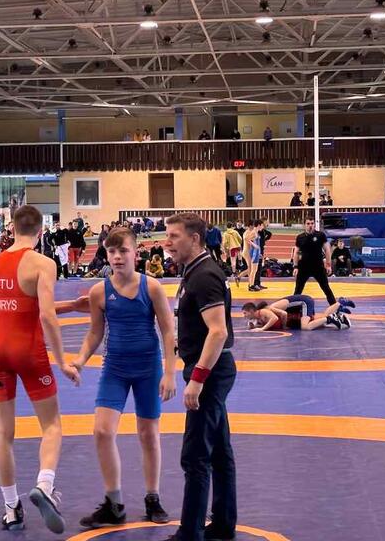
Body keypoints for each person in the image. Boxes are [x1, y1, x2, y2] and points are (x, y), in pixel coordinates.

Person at [69, 227, 176, 528]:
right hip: (114, 368)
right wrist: (80, 360)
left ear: (135, 252)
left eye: (123, 251)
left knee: (148, 434)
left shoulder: (151, 287)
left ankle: (152, 497)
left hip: (148, 368)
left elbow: (168, 331)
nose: (117, 257)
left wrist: (170, 372)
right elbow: (95, 332)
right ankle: (114, 504)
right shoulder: (99, 292)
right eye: (111, 252)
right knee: (102, 431)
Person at [0, 205, 83, 534]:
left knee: (3, 431)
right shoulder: (43, 263)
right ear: (41, 232)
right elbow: (45, 315)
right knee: (52, 425)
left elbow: (17, 305)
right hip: (28, 350)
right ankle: (44, 485)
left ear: (12, 228)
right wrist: (61, 360)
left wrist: (71, 306)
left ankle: (11, 508)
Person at [163, 212, 236, 541]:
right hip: (211, 368)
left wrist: (197, 379)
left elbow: (218, 332)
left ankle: (190, 532)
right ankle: (222, 523)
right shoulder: (195, 271)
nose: (167, 243)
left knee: (195, 456)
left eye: (174, 236)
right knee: (219, 451)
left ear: (194, 239)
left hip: (209, 371)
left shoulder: (204, 275)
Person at [242, 295, 355, 331]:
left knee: (305, 326)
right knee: (319, 317)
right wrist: (255, 325)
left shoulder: (271, 308)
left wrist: (284, 326)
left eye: (245, 313)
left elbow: (282, 315)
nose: (244, 316)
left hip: (304, 302)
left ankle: (332, 318)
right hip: (299, 307)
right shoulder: (265, 313)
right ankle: (339, 304)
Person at [293, 216, 336, 305]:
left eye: (312, 223)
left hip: (318, 267)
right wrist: (295, 266)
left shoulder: (320, 235)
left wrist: (328, 265)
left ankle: (335, 307)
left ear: (314, 224)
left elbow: (327, 250)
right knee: (298, 290)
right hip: (304, 267)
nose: (310, 225)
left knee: (326, 288)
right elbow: (296, 252)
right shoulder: (300, 237)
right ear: (304, 225)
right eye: (308, 223)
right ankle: (293, 309)